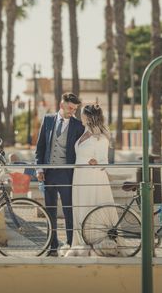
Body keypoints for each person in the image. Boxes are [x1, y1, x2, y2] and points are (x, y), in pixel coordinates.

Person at [35, 92, 84, 256]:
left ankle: (70, 245)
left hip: (66, 174)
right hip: (48, 174)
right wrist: (39, 168)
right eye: (71, 108)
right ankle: (52, 246)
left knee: (69, 211)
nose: (73, 111)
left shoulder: (78, 125)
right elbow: (40, 147)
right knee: (50, 212)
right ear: (62, 104)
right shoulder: (48, 120)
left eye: (75, 109)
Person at [64, 104, 114, 257]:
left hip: (92, 179)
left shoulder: (100, 137)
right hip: (79, 177)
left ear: (89, 116)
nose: (81, 116)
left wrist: (96, 162)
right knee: (80, 207)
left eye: (83, 114)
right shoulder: (84, 132)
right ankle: (80, 242)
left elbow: (104, 162)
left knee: (91, 207)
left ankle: (93, 242)